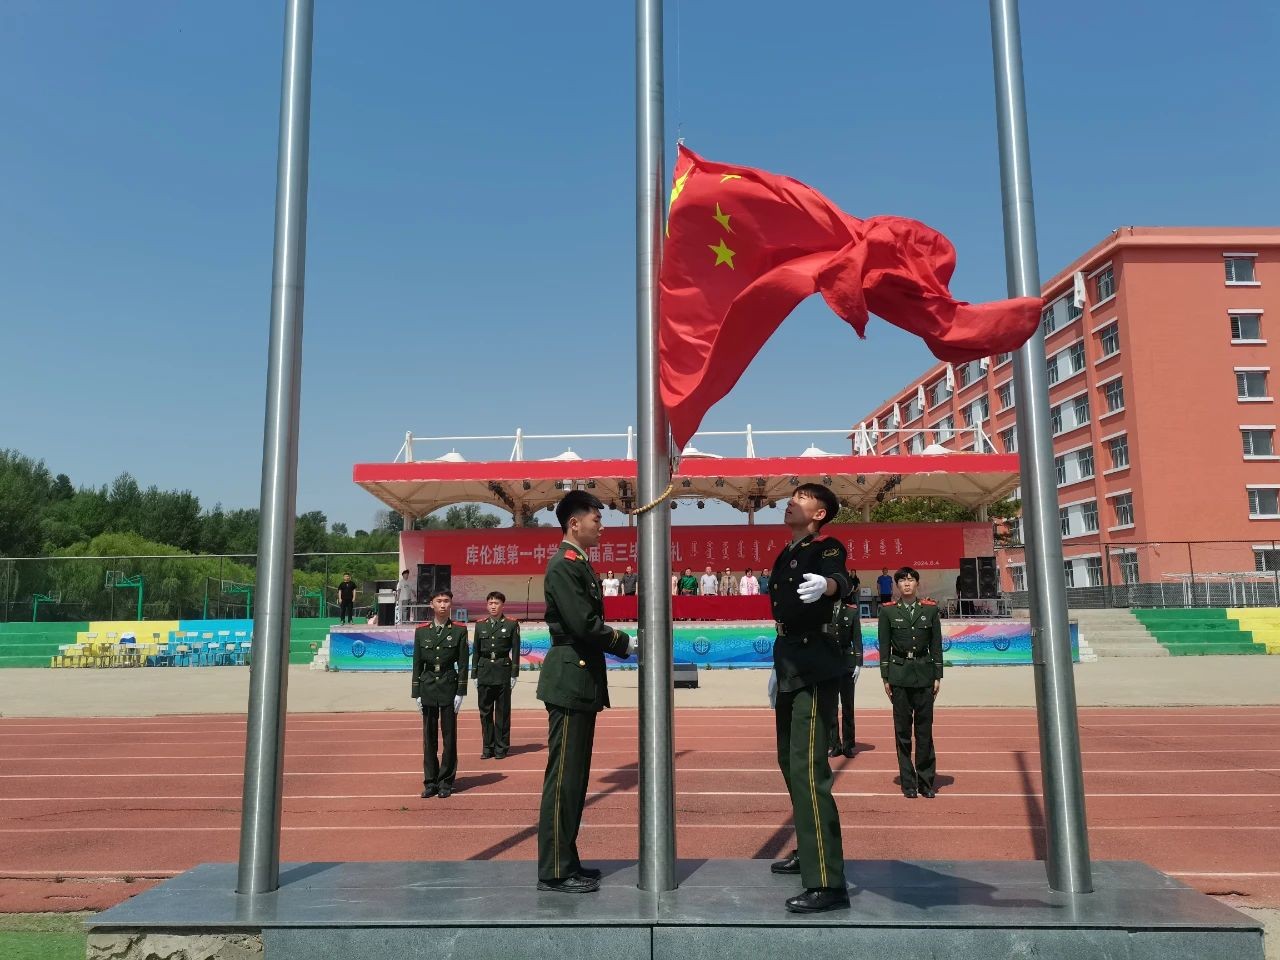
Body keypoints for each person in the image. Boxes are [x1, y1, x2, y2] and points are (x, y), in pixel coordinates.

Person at [537, 491, 637, 894]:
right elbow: (583, 624)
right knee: (564, 778)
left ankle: (567, 859)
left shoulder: (579, 563)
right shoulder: (565, 564)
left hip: (580, 677)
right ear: (574, 523)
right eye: (596, 519)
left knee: (574, 778)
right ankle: (555, 870)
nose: (602, 525)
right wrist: (625, 643)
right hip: (569, 676)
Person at [764, 483, 850, 914]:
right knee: (788, 760)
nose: (791, 501)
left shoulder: (826, 546)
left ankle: (827, 882)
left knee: (808, 768)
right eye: (791, 495)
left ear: (819, 513)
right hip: (788, 660)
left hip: (814, 664)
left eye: (801, 497)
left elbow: (842, 579)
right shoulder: (787, 551)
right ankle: (809, 849)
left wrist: (829, 586)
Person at [879, 567, 943, 799]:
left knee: (924, 731)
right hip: (899, 676)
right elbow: (884, 646)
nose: (907, 584)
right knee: (903, 732)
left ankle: (926, 782)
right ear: (896, 585)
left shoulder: (930, 609)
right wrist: (885, 677)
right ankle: (908, 782)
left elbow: (936, 644)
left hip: (924, 674)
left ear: (917, 583)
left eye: (911, 580)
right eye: (902, 581)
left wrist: (938, 675)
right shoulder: (887, 611)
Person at [411, 588, 469, 799]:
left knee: (449, 737)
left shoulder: (459, 631)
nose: (443, 605)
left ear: (451, 604)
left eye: (446, 601)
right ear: (431, 604)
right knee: (429, 738)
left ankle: (446, 782)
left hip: (448, 686)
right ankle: (431, 782)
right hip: (427, 686)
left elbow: (463, 664)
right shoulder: (421, 632)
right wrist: (416, 692)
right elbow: (417, 663)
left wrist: (460, 692)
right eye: (439, 601)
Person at [473, 590, 520, 760]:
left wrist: (514, 673)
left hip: (502, 671)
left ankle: (501, 747)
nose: (493, 606)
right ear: (487, 605)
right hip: (485, 670)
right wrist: (474, 674)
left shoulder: (512, 624)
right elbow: (476, 650)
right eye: (490, 603)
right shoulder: (480, 625)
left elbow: (516, 650)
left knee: (502, 712)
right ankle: (488, 747)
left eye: (496, 603)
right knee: (485, 712)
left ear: (502, 605)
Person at [828, 579, 863, 759]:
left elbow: (857, 638)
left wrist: (858, 663)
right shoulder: (822, 612)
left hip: (847, 663)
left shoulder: (851, 611)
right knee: (831, 707)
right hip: (828, 664)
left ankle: (848, 744)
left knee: (848, 706)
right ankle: (834, 744)